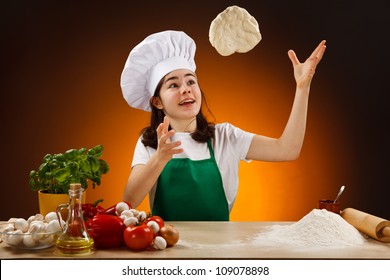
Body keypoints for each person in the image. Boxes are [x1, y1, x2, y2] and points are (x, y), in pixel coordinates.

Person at [120, 30, 326, 221]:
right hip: (168, 247)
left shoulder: (224, 137)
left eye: (191, 82)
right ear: (157, 102)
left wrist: (302, 87)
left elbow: (287, 149)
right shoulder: (150, 141)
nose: (186, 89)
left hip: (220, 247)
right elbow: (129, 199)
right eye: (173, 85)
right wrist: (159, 158)